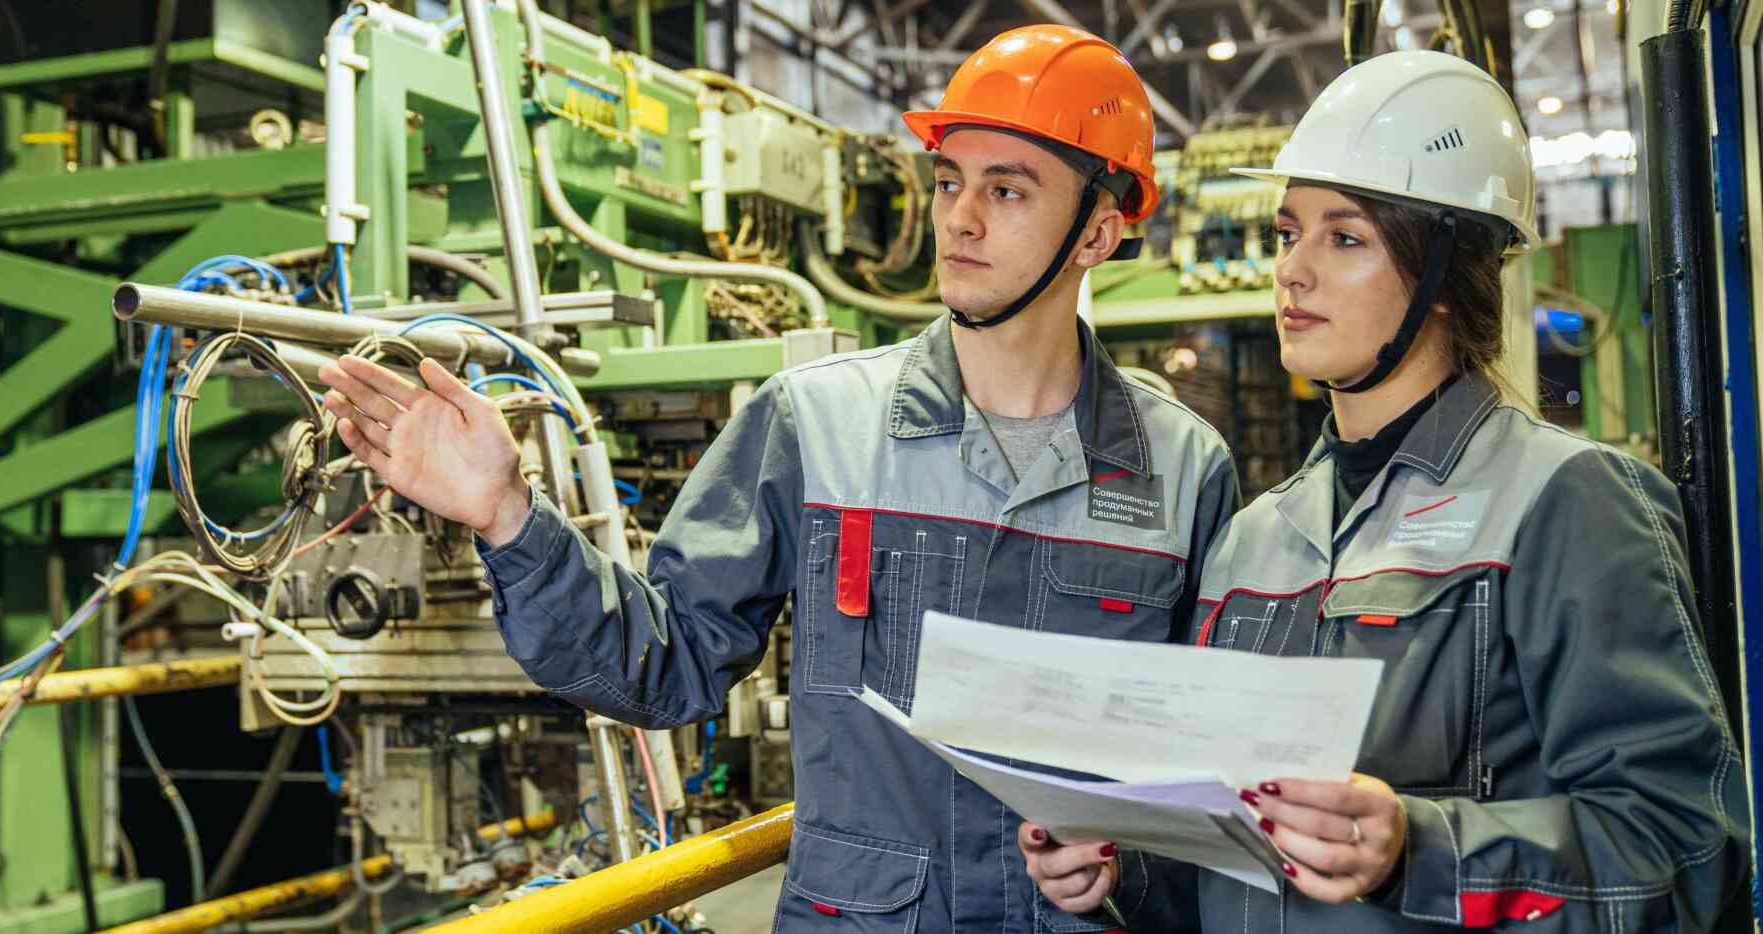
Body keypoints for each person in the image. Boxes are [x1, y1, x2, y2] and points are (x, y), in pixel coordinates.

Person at [318, 23, 1239, 931]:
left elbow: (1214, 764)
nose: (959, 218)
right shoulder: (816, 424)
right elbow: (667, 664)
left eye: (1008, 190)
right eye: (951, 180)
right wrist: (510, 517)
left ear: (1099, 232)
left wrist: (1129, 865)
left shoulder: (1183, 471)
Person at [1023, 49, 1748, 932]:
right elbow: (1231, 862)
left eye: (1346, 237)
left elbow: (1686, 850)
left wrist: (1419, 850)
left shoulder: (1567, 502)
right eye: (1290, 233)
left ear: (1443, 271)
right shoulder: (1255, 538)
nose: (1291, 269)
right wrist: (1117, 865)